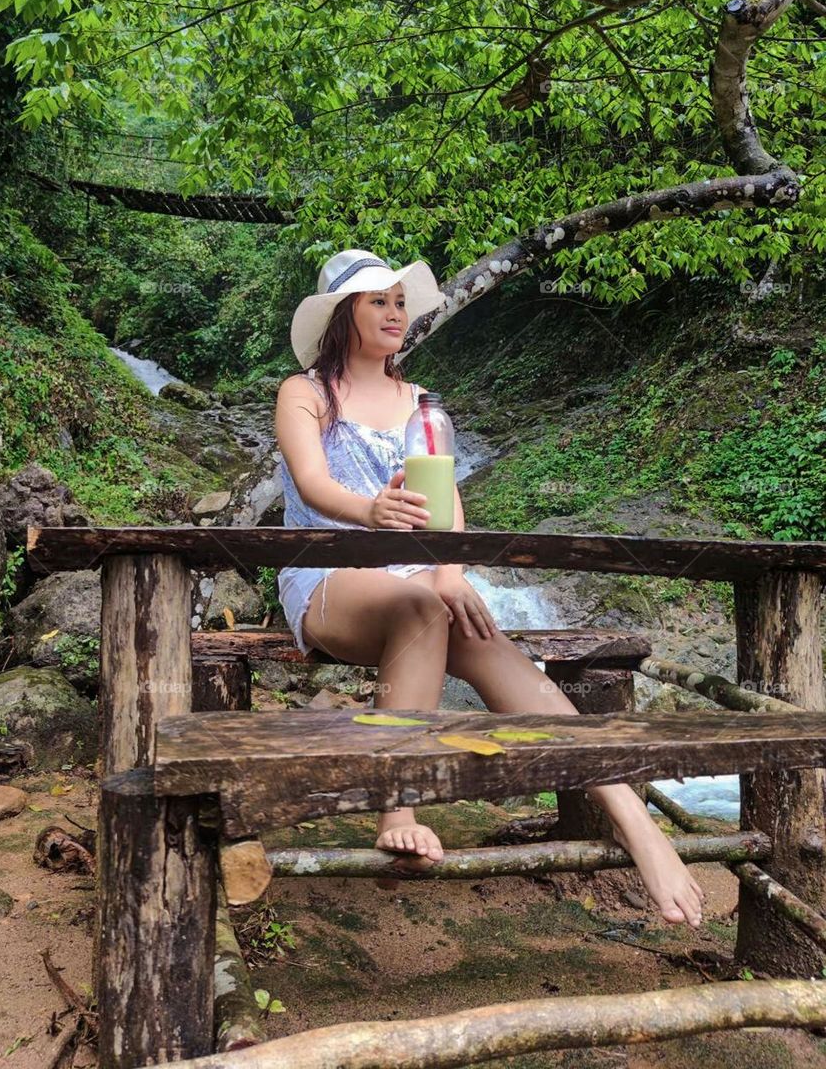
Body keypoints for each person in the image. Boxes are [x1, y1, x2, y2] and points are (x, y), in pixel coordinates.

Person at [274, 248, 705, 927]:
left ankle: (635, 822)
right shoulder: (305, 392)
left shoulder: (422, 405)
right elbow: (310, 482)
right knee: (420, 605)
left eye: (398, 302)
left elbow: (445, 504)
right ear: (341, 315)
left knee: (489, 642)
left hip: (417, 579)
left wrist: (451, 571)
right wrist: (373, 513)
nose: (393, 313)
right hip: (327, 576)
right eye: (375, 301)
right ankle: (398, 805)